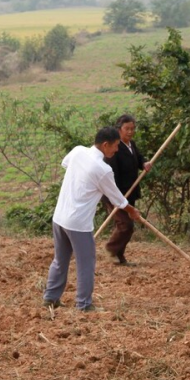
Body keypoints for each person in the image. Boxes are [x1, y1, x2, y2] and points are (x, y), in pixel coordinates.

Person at [42, 127, 141, 312]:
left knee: (60, 259)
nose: (117, 150)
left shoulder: (78, 151)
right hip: (78, 223)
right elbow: (118, 199)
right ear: (105, 145)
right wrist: (131, 211)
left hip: (60, 216)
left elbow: (66, 163)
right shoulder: (103, 169)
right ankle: (84, 304)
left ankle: (50, 298)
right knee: (86, 263)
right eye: (115, 146)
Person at [101, 114, 151, 265]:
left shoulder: (131, 145)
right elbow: (111, 174)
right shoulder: (114, 148)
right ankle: (111, 249)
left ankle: (119, 257)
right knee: (125, 225)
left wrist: (144, 164)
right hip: (115, 194)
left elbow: (139, 158)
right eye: (127, 129)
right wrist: (117, 196)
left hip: (130, 192)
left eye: (132, 129)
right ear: (119, 129)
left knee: (128, 226)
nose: (130, 132)